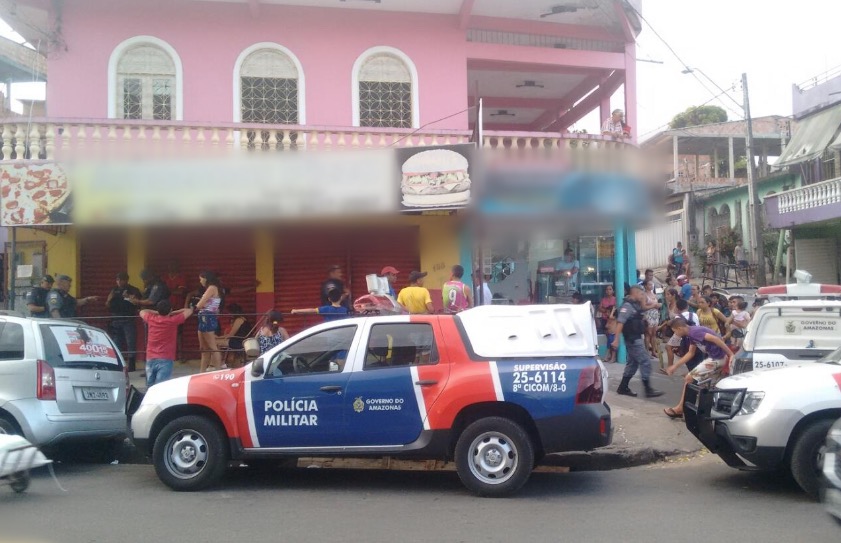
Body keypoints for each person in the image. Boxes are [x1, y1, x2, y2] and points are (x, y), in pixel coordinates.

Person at [663, 317, 733, 418]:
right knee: (708, 387)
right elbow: (690, 353)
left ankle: (680, 409)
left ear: (679, 329)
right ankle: (704, 413)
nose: (676, 335)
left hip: (717, 359)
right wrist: (675, 366)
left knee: (689, 378)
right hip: (717, 358)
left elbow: (716, 339)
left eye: (675, 332)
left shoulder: (694, 332)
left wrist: (730, 354)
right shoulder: (691, 334)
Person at [612, 285, 663, 398]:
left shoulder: (635, 305)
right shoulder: (627, 306)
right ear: (634, 293)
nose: (642, 296)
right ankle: (648, 389)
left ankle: (623, 387)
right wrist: (616, 340)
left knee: (633, 364)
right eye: (640, 294)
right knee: (645, 361)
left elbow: (636, 317)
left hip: (635, 338)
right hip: (633, 339)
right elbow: (620, 322)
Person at [140, 301, 193, 387]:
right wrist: (173, 312)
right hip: (166, 357)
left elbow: (142, 311)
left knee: (149, 387)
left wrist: (156, 312)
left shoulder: (151, 319)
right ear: (170, 310)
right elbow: (189, 311)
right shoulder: (173, 320)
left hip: (150, 357)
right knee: (161, 386)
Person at [106, 272, 143, 373]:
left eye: (121, 280)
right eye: (117, 280)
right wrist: (109, 299)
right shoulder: (114, 290)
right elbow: (108, 304)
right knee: (116, 343)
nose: (119, 282)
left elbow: (138, 303)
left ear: (126, 280)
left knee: (130, 342)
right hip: (116, 319)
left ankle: (131, 365)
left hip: (128, 319)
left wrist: (128, 297)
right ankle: (119, 364)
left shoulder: (133, 290)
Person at [660, 298, 700, 374]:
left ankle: (670, 367)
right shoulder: (694, 314)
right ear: (687, 307)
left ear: (677, 308)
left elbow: (675, 328)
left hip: (683, 335)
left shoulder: (678, 317)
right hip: (695, 334)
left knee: (668, 347)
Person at [194, 270, 223, 373]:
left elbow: (200, 304)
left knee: (212, 346)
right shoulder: (212, 288)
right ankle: (202, 372)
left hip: (207, 317)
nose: (200, 281)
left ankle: (218, 371)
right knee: (204, 348)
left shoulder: (211, 288)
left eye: (201, 278)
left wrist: (193, 307)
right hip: (203, 317)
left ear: (205, 278)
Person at [163, 261, 187, 361]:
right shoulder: (164, 277)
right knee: (165, 333)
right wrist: (174, 290)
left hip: (178, 310)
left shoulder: (181, 278)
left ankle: (180, 355)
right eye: (170, 266)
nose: (172, 268)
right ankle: (168, 355)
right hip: (165, 309)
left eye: (174, 265)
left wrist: (168, 290)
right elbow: (163, 291)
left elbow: (180, 291)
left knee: (179, 334)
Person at [215, 303, 252, 367]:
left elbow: (231, 335)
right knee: (215, 341)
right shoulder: (242, 319)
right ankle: (222, 362)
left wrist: (218, 337)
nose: (229, 315)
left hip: (239, 342)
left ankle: (219, 363)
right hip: (237, 340)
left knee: (214, 342)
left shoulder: (239, 320)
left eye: (230, 312)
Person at [641, 280, 662, 357]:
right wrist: (653, 306)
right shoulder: (644, 295)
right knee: (648, 334)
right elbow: (643, 307)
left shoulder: (653, 294)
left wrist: (658, 305)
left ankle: (653, 351)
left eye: (652, 284)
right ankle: (647, 352)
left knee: (654, 334)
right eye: (649, 284)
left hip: (655, 315)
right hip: (648, 314)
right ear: (645, 286)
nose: (651, 286)